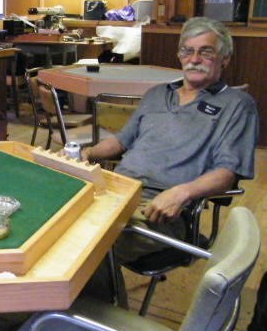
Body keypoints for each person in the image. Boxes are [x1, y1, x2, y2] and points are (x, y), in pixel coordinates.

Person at [82, 16, 258, 281]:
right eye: (187, 51)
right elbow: (120, 141)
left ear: (224, 59)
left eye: (206, 52)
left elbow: (226, 173)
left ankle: (91, 305)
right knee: (54, 221)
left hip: (160, 211)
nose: (194, 59)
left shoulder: (237, 105)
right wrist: (86, 153)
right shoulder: (156, 94)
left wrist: (181, 193)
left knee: (86, 244)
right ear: (180, 55)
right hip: (113, 193)